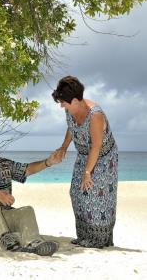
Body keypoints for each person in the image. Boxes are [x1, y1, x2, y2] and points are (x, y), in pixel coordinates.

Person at [0, 137, 62, 256]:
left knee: (26, 211)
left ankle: (34, 243)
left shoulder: (3, 164)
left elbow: (27, 170)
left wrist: (48, 162)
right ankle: (5, 236)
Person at [52, 75, 118, 248]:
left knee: (96, 197)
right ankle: (84, 237)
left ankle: (99, 240)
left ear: (74, 100)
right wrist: (64, 146)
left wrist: (87, 173)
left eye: (63, 103)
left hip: (103, 157)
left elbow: (96, 146)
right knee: (76, 192)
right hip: (83, 154)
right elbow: (71, 127)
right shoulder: (71, 109)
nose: (61, 106)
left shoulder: (95, 115)